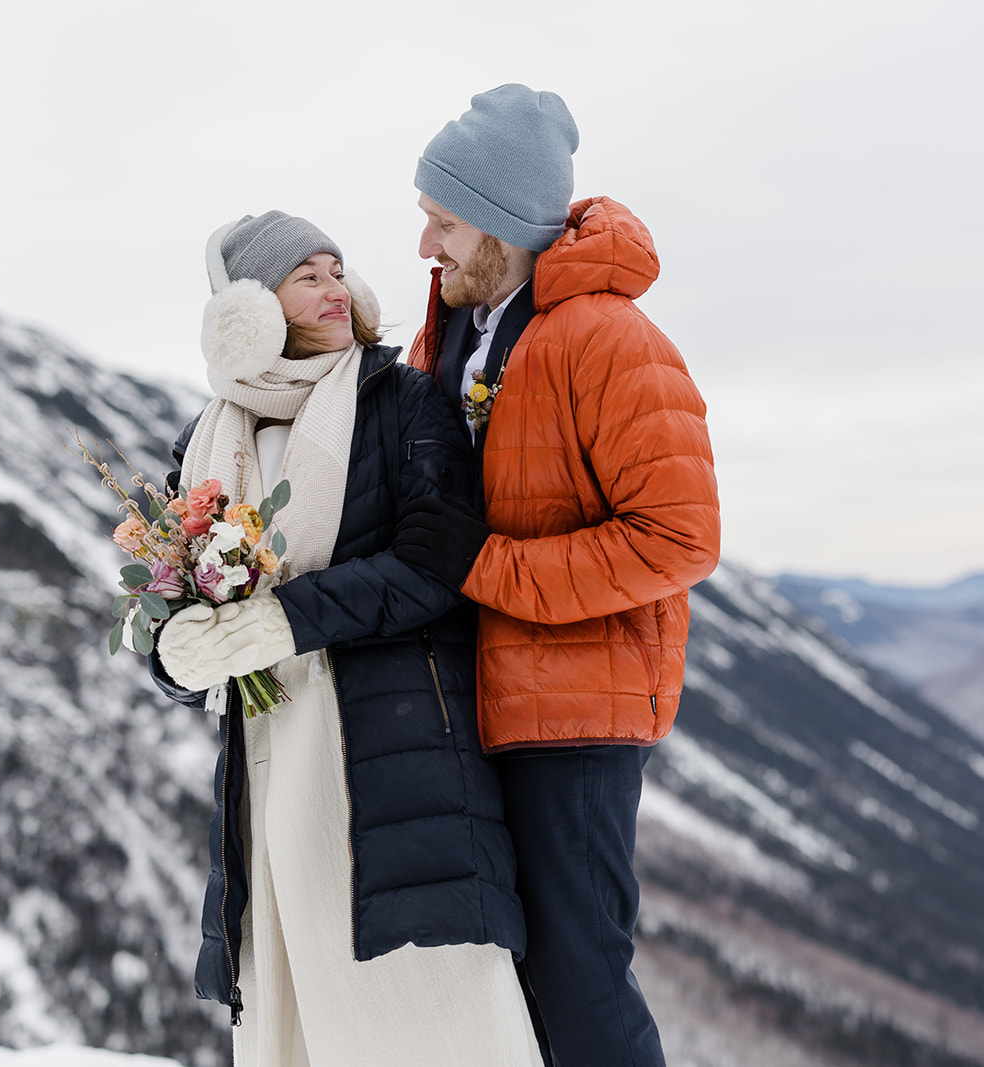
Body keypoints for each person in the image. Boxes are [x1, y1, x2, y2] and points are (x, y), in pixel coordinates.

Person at [148, 210, 544, 1067]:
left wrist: (276, 621)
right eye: (306, 276)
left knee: (428, 1008)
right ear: (250, 309)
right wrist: (174, 657)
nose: (334, 289)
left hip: (393, 749)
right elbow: (171, 596)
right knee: (303, 1010)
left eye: (337, 270)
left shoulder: (402, 401)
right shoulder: (206, 440)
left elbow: (434, 568)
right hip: (267, 755)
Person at [392, 86, 722, 1067]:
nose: (424, 247)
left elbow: (676, 538)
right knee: (497, 976)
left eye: (441, 221)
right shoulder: (453, 335)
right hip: (469, 700)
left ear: (498, 220)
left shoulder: (609, 340)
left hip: (574, 719)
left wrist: (488, 566)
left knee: (576, 977)